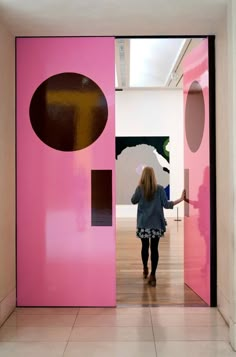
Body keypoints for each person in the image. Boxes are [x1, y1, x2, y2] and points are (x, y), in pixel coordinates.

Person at [131, 166, 185, 287]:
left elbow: (133, 201)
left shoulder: (140, 189)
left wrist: (139, 191)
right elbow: (167, 205)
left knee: (145, 247)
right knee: (154, 249)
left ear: (143, 176)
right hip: (156, 225)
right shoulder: (160, 189)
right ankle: (153, 275)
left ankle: (145, 267)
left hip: (143, 224)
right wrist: (181, 199)